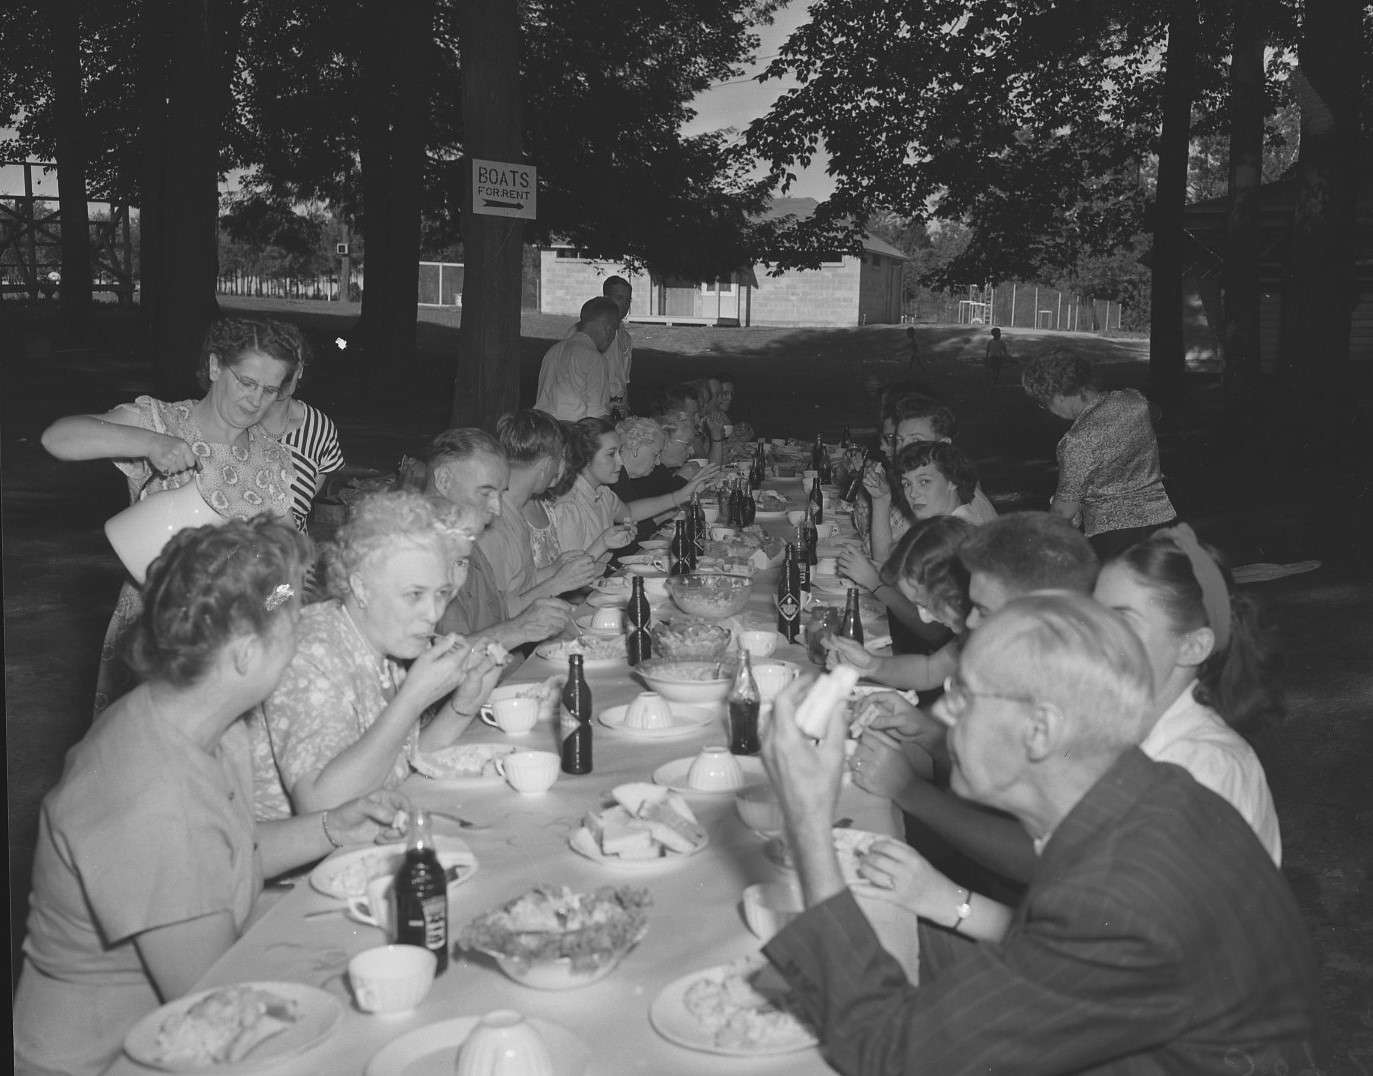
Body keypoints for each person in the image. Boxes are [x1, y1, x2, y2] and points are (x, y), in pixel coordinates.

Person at [762, 593, 1321, 1075]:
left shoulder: (1121, 903)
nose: (945, 714)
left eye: (964, 696)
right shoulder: (1148, 793)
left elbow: (890, 1056)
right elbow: (1035, 968)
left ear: (1041, 730)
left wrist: (808, 821)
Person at [14, 519, 409, 1075]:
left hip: (180, 1024)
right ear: (246, 656)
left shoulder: (203, 718)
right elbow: (221, 999)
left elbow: (226, 854)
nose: (306, 634)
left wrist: (330, 829)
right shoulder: (149, 797)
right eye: (295, 626)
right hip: (115, 1058)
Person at [42, 317, 299, 715]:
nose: (255, 400)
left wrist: (267, 610)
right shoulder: (162, 421)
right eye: (246, 382)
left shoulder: (275, 459)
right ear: (215, 367)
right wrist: (149, 443)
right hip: (149, 635)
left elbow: (288, 567)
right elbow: (58, 438)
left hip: (225, 648)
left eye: (269, 391)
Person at [250, 491, 503, 819]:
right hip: (309, 863)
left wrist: (463, 706)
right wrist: (413, 698)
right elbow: (322, 808)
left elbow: (396, 764)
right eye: (415, 595)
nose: (434, 612)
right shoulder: (308, 654)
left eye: (441, 593)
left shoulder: (386, 641)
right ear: (361, 588)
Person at [425, 428, 579, 649]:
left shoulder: (465, 542)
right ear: (444, 479)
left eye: (500, 494)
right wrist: (519, 629)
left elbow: (495, 614)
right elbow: (437, 658)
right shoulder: (413, 552)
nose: (496, 510)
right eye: (486, 493)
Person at [1022, 350, 1176, 559]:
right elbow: (1155, 412)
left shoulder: (1076, 441)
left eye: (1044, 403)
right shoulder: (1134, 399)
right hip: (1161, 522)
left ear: (1058, 397)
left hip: (1114, 537)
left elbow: (1064, 512)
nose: (1048, 410)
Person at [480, 409, 602, 614]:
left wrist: (554, 570)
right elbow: (494, 612)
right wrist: (557, 583)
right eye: (559, 459)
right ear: (547, 465)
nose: (561, 469)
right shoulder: (493, 522)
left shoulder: (514, 509)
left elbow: (519, 583)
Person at [546, 417, 717, 557]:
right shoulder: (569, 505)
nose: (620, 462)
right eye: (611, 454)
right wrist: (604, 544)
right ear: (586, 457)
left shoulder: (602, 492)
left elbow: (628, 512)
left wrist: (679, 496)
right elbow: (571, 578)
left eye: (619, 452)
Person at [254, 321, 344, 529]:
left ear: (300, 370)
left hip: (291, 555)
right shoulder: (235, 419)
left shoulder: (320, 429)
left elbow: (302, 507)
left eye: (291, 365)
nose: (283, 377)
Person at [533, 296, 620, 420]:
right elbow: (597, 417)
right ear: (608, 329)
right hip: (573, 434)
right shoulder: (594, 359)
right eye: (614, 330)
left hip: (542, 429)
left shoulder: (553, 351)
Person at [611, 415, 686, 540]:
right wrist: (660, 517)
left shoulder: (625, 478)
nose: (658, 463)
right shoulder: (616, 480)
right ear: (635, 447)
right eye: (655, 454)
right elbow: (628, 538)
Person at [602, 276, 634, 417]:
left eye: (628, 300)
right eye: (620, 298)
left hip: (618, 408)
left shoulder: (625, 338)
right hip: (598, 405)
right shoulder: (591, 333)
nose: (625, 304)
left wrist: (625, 410)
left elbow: (624, 381)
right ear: (606, 298)